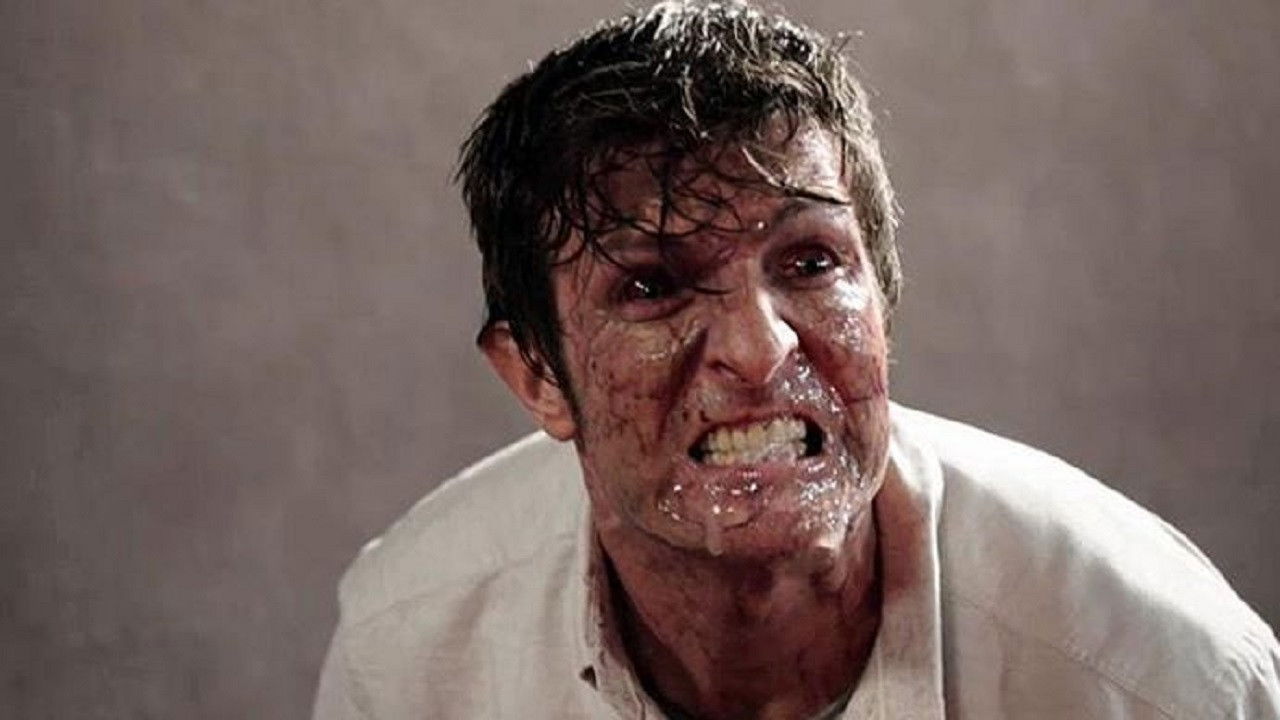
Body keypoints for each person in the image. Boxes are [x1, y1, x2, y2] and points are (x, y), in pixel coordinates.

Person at [312, 2, 1280, 718]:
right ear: (535, 376)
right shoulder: (414, 651)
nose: (759, 348)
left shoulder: (1154, 674)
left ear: (882, 305)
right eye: (650, 285)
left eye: (811, 262)